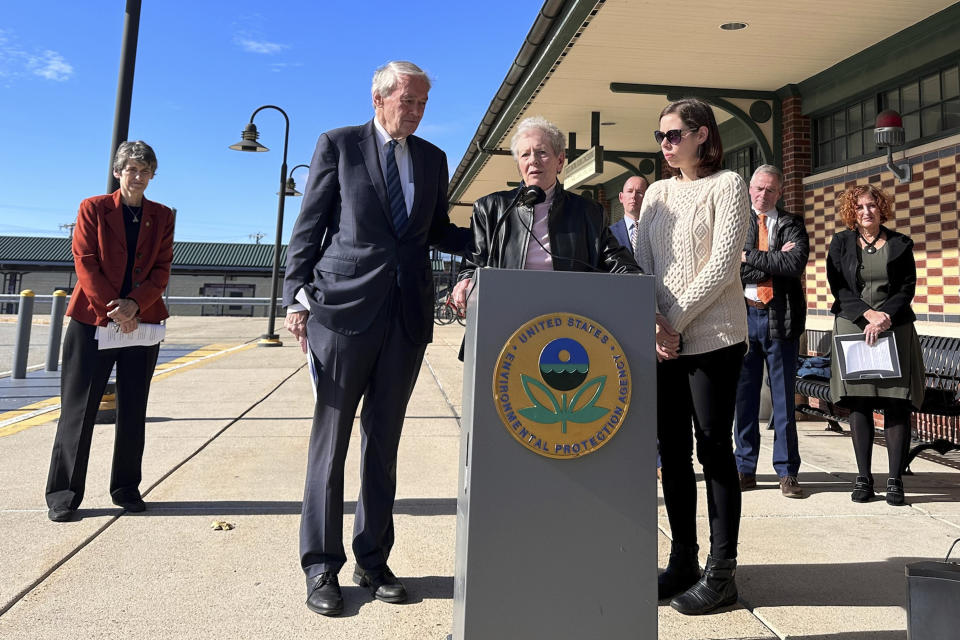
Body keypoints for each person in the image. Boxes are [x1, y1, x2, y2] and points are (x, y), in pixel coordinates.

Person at [282, 61, 470, 617]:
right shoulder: (338, 145)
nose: (413, 111)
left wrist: (495, 234)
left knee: (383, 442)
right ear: (378, 98)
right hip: (341, 313)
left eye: (421, 104)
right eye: (406, 100)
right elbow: (310, 225)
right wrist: (295, 296)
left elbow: (436, 229)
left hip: (406, 317)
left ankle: (373, 557)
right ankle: (321, 565)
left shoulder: (433, 159)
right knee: (331, 441)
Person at [634, 98, 750, 615]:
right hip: (663, 342)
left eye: (673, 135)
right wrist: (654, 325)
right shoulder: (656, 193)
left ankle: (722, 573)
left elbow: (724, 265)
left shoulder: (729, 185)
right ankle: (683, 560)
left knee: (714, 450)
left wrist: (670, 324)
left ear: (702, 134)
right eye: (660, 136)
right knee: (673, 453)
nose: (665, 145)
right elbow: (642, 263)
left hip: (715, 340)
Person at [45, 141, 175, 523]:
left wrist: (135, 305)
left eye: (145, 170)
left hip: (143, 321)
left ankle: (126, 488)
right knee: (78, 409)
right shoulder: (93, 208)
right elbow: (84, 261)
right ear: (118, 172)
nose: (137, 176)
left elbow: (162, 269)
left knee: (133, 408)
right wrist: (116, 309)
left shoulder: (163, 216)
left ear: (153, 175)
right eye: (131, 169)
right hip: (92, 321)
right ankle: (64, 494)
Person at [452, 115, 640, 308]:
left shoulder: (589, 212)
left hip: (570, 311)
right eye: (525, 155)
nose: (533, 161)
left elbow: (616, 260)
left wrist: (638, 284)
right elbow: (473, 264)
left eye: (541, 152)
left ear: (560, 161)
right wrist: (465, 281)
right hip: (507, 307)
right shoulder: (490, 208)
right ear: (519, 166)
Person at [826, 184, 924, 506]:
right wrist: (867, 314)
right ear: (851, 213)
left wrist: (883, 317)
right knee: (860, 403)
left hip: (894, 328)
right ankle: (864, 478)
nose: (866, 212)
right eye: (860, 208)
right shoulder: (841, 243)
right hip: (853, 326)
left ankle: (895, 479)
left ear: (881, 208)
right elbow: (838, 287)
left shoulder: (899, 244)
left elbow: (907, 287)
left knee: (897, 404)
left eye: (871, 206)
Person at [734, 165, 809, 499]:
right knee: (744, 400)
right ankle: (744, 468)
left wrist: (749, 255)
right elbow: (730, 268)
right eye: (758, 188)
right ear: (750, 189)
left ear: (780, 192)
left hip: (782, 319)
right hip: (744, 319)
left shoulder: (792, 223)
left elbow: (793, 265)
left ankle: (787, 472)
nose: (763, 195)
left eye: (770, 190)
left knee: (782, 401)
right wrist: (773, 258)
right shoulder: (736, 222)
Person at [610, 175, 649, 251]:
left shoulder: (656, 230)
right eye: (629, 191)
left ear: (648, 197)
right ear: (621, 197)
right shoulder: (609, 233)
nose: (633, 196)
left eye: (639, 192)